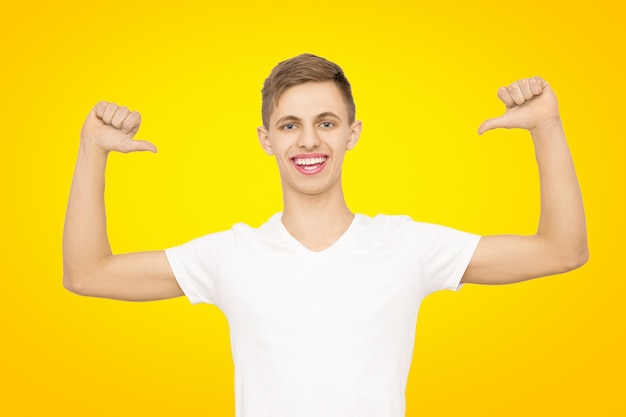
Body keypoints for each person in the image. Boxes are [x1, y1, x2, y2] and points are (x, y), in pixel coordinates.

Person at [63, 54, 588, 416]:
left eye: (327, 123)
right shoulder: (230, 255)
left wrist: (546, 126)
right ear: (265, 140)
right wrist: (93, 148)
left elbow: (562, 250)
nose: (308, 140)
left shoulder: (407, 247)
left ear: (352, 133)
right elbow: (87, 274)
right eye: (289, 125)